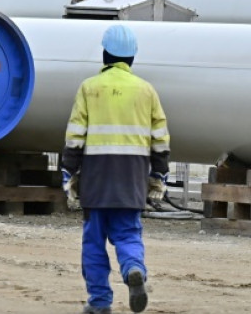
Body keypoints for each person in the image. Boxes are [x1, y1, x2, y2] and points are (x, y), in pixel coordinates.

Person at [61, 24, 171, 314]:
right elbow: (160, 139)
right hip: (132, 178)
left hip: (96, 178)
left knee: (94, 241)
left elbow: (74, 136)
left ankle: (99, 303)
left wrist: (68, 173)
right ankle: (133, 268)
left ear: (105, 55)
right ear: (132, 57)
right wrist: (158, 175)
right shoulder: (147, 91)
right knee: (127, 234)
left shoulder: (89, 88)